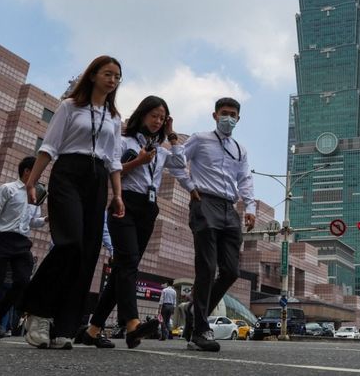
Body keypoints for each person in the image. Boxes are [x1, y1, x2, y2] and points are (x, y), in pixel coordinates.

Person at [22, 56, 126, 350]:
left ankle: (65, 325)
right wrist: (32, 183)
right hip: (68, 173)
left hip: (97, 180)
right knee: (69, 243)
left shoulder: (114, 117)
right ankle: (38, 312)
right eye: (108, 73)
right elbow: (49, 146)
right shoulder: (70, 106)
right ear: (92, 75)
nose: (113, 80)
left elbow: (114, 160)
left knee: (87, 253)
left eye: (118, 76)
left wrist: (117, 194)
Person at [80, 96, 186, 350]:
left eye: (162, 118)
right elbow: (112, 170)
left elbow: (181, 163)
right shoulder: (124, 140)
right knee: (127, 264)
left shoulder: (160, 151)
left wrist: (171, 136)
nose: (158, 121)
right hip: (123, 203)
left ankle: (93, 330)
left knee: (122, 271)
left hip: (148, 210)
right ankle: (133, 325)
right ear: (142, 115)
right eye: (154, 116)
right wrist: (138, 161)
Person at [171, 97, 256, 353]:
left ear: (238, 119)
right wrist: (189, 186)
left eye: (233, 114)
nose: (228, 118)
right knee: (206, 266)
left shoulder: (240, 149)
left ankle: (195, 313)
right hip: (204, 201)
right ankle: (199, 330)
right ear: (215, 115)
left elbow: (245, 180)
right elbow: (175, 162)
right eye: (224, 113)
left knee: (230, 271)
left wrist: (250, 208)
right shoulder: (200, 138)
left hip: (230, 209)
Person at [0, 156, 47, 342]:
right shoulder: (8, 189)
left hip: (22, 243)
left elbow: (32, 222)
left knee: (23, 282)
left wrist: (46, 219)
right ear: (27, 171)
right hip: (3, 240)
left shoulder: (36, 194)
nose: (40, 175)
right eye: (37, 171)